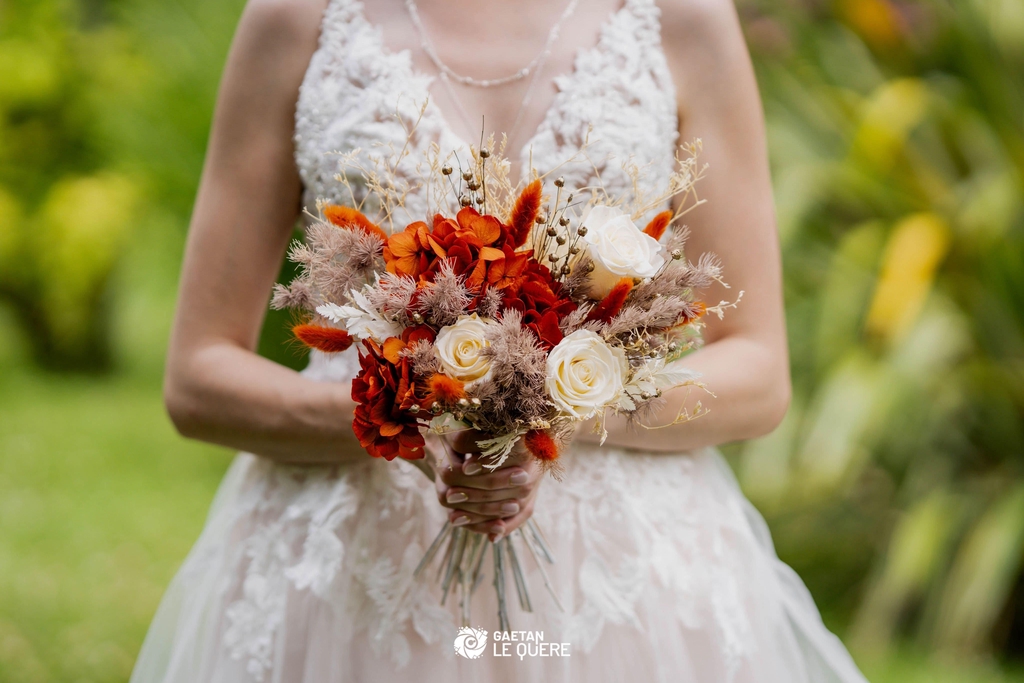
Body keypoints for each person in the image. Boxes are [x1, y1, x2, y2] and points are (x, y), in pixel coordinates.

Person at [131, 0, 871, 680]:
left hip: (620, 587)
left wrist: (557, 417)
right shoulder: (297, 18)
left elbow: (759, 369)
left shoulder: (681, 17)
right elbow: (199, 377)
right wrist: (408, 417)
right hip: (346, 581)